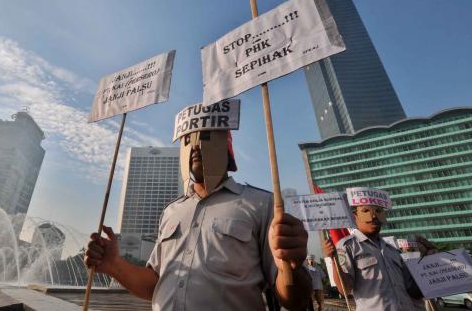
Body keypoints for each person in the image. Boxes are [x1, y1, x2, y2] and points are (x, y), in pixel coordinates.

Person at [85, 103, 312, 311]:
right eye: (188, 140)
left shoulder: (260, 204)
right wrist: (114, 265)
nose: (195, 146)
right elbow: (155, 284)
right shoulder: (172, 211)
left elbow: (292, 300)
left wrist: (291, 267)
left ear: (227, 148)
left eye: (206, 137)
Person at [321, 187, 435, 311]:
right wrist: (334, 261)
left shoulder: (393, 250)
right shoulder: (348, 246)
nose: (373, 216)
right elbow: (344, 289)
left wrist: (428, 261)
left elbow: (413, 291)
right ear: (355, 217)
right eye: (365, 211)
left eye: (378, 211)